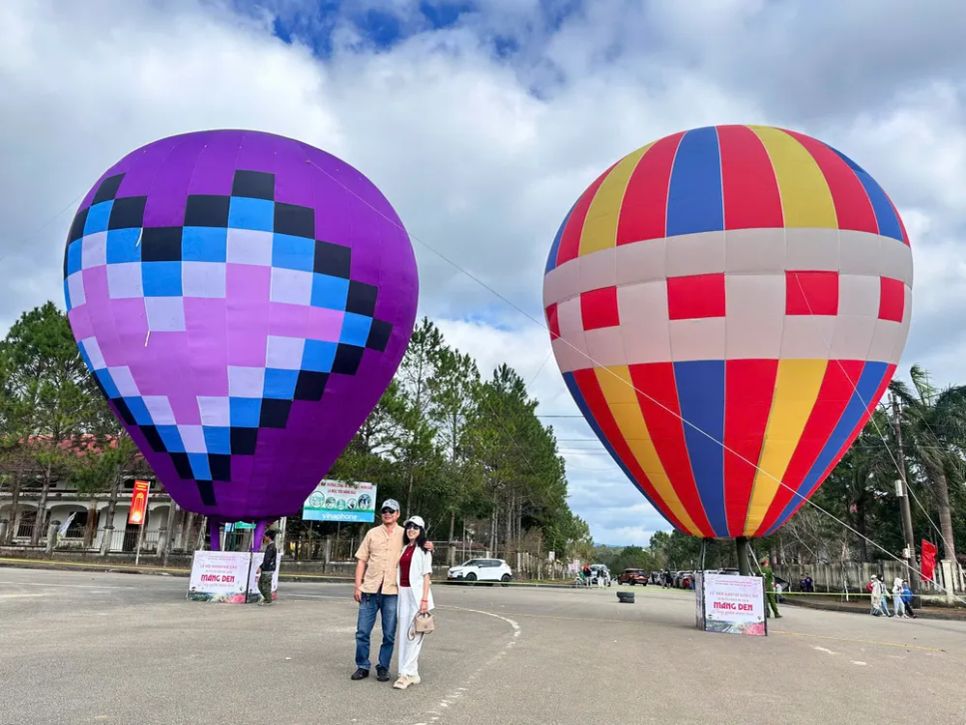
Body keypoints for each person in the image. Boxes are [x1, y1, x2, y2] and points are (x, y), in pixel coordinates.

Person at [351, 499, 432, 682]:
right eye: (384, 510)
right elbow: (361, 560)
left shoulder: (405, 533)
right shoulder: (372, 533)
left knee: (389, 633)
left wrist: (429, 544)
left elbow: (419, 541)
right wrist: (357, 586)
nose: (387, 513)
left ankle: (383, 666)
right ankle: (362, 665)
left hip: (392, 592)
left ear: (397, 514)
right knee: (362, 631)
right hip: (370, 590)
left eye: (391, 511)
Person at [393, 515, 434, 690]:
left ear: (421, 531)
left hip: (417, 596)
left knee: (415, 634)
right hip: (403, 593)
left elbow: (426, 576)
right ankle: (411, 672)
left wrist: (424, 599)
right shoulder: (404, 548)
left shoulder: (424, 549)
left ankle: (406, 674)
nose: (411, 529)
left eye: (415, 527)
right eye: (409, 526)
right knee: (403, 633)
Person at [255, 529, 277, 606]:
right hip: (268, 568)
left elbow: (267, 559)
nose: (264, 538)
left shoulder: (271, 547)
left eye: (265, 536)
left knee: (264, 585)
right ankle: (267, 598)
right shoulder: (271, 546)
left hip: (268, 569)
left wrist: (261, 568)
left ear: (268, 537)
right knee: (261, 585)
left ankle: (268, 600)